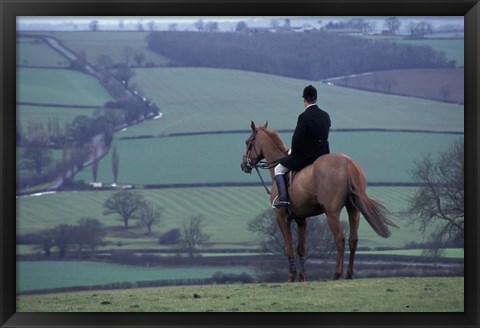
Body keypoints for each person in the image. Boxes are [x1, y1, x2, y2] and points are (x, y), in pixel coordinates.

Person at [272, 85, 331, 209]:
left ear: (304, 100)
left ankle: (283, 199)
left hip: (307, 156)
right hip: (324, 154)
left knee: (278, 169)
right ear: (316, 98)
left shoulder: (304, 116)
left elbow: (297, 138)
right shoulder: (326, 115)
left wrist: (292, 151)